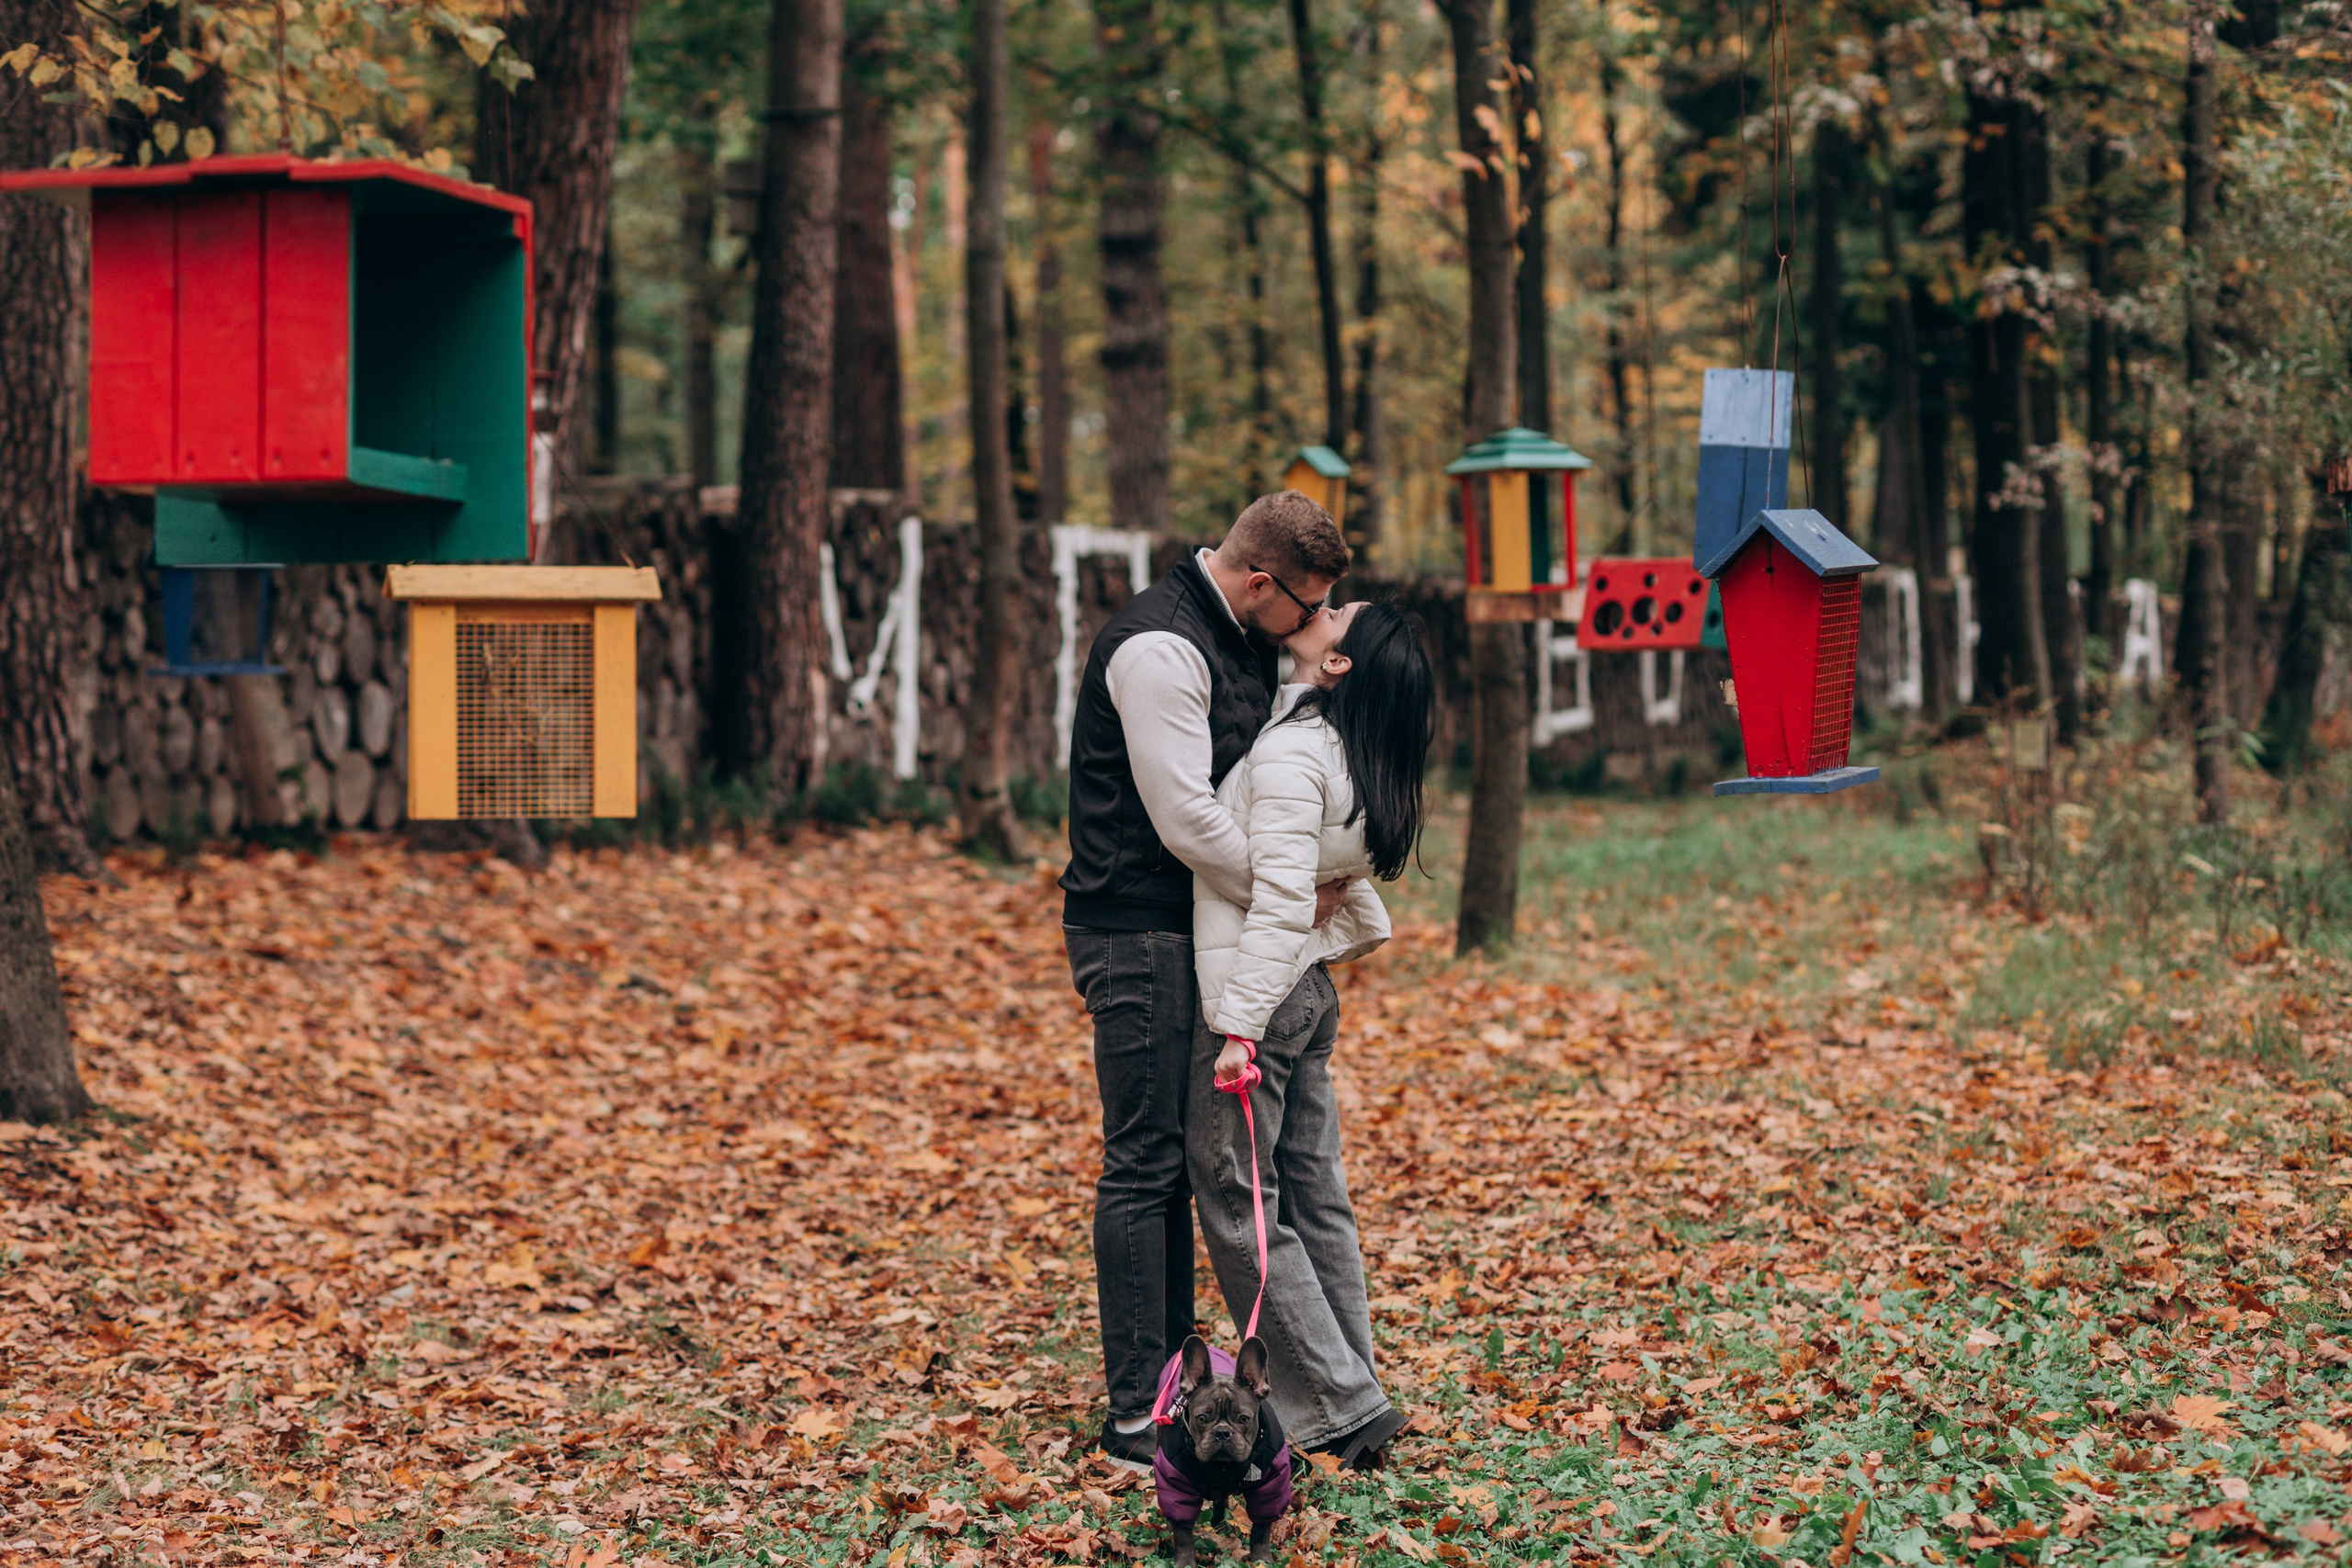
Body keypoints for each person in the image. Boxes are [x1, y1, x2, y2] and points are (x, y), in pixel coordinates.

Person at [1061, 491, 1354, 1470]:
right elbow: (1187, 816)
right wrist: (1287, 893)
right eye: (1303, 605)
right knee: (1144, 1162)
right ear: (1259, 580)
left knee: (1199, 1163)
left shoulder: (1243, 637)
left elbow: (1251, 768)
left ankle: (1187, 1387)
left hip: (1191, 926)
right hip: (1132, 931)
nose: (1309, 623)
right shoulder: (1159, 649)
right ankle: (1138, 1414)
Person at [1188, 598, 1433, 1472]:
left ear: (1338, 666)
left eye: (1336, 615)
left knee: (1237, 1196)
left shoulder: (1296, 753)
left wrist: (1238, 1028)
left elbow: (1288, 896)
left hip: (1269, 999)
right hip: (1308, 992)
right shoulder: (1346, 750)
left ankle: (1341, 1404)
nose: (1317, 610)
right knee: (1312, 1193)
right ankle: (1353, 1381)